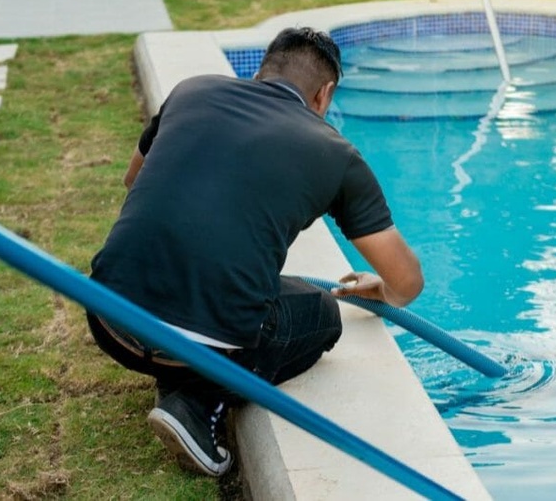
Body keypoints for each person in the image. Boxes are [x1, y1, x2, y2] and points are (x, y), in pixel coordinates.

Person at [86, 26, 423, 477]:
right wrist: (379, 289)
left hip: (109, 318)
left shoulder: (192, 91)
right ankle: (197, 402)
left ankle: (179, 365)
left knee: (278, 289)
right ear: (324, 95)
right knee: (321, 312)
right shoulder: (334, 151)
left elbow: (133, 180)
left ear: (263, 70)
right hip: (199, 342)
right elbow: (407, 283)